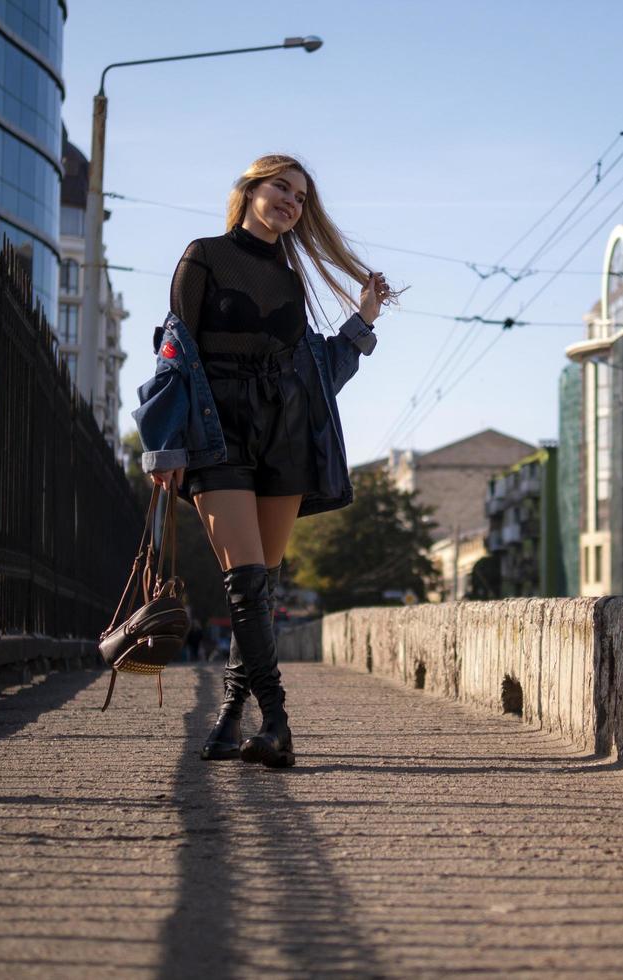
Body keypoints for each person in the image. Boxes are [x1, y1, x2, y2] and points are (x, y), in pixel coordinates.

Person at [132, 154, 396, 769]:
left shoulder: (291, 277)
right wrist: (165, 448)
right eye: (282, 188)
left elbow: (310, 372)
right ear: (250, 189)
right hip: (215, 435)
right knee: (245, 578)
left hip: (284, 435)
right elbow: (174, 354)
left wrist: (363, 321)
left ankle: (228, 721)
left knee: (260, 588)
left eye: (301, 198)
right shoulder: (203, 256)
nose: (291, 202)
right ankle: (276, 721)